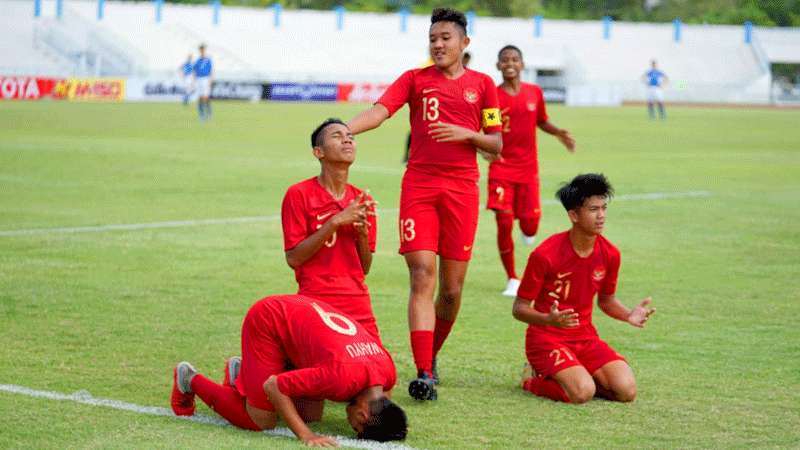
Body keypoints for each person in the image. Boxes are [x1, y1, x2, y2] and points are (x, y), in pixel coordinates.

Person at [347, 7, 503, 401]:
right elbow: (380, 112)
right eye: (433, 38)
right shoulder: (415, 80)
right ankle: (423, 372)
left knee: (450, 290)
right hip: (419, 187)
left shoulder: (484, 85)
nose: (437, 44)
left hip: (462, 191)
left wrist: (466, 133)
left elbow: (496, 145)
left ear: (464, 43)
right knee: (421, 275)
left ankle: (430, 355)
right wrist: (343, 129)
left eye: (445, 38)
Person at [170, 294, 408, 446]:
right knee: (262, 420)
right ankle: (189, 379)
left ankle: (242, 374)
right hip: (269, 320)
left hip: (299, 315)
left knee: (309, 414)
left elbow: (381, 405)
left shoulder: (387, 373)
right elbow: (274, 386)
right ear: (362, 416)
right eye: (355, 426)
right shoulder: (339, 378)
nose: (350, 424)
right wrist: (306, 435)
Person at [513, 173, 655, 404]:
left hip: (585, 337)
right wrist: (549, 319)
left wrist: (628, 314)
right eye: (593, 209)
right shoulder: (544, 254)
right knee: (582, 393)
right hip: (546, 338)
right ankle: (531, 379)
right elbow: (518, 309)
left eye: (603, 208)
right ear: (573, 215)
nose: (601, 216)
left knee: (626, 391)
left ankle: (577, 374)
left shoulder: (610, 254)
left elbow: (606, 301)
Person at [488, 45, 575, 297]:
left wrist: (558, 133)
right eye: (504, 60)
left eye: (515, 59)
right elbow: (488, 130)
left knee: (530, 226)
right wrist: (486, 149)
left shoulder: (534, 92)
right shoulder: (493, 97)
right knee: (503, 221)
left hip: (528, 171)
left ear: (522, 64)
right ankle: (512, 278)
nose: (510, 64)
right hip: (501, 168)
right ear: (498, 66)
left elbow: (541, 121)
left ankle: (528, 230)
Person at [281, 118, 379, 339]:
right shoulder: (299, 194)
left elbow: (364, 267)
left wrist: (362, 234)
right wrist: (335, 222)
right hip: (317, 298)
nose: (347, 140)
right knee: (333, 369)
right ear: (318, 152)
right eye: (337, 136)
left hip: (357, 300)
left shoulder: (362, 200)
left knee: (382, 372)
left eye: (350, 137)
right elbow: (294, 259)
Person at [193, 44, 213, 121]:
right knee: (200, 97)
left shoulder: (208, 60)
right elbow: (194, 70)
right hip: (199, 79)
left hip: (206, 79)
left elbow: (211, 70)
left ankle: (208, 112)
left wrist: (210, 79)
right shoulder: (197, 61)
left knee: (206, 97)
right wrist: (194, 80)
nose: (202, 51)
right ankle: (201, 114)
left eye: (203, 50)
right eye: (201, 50)